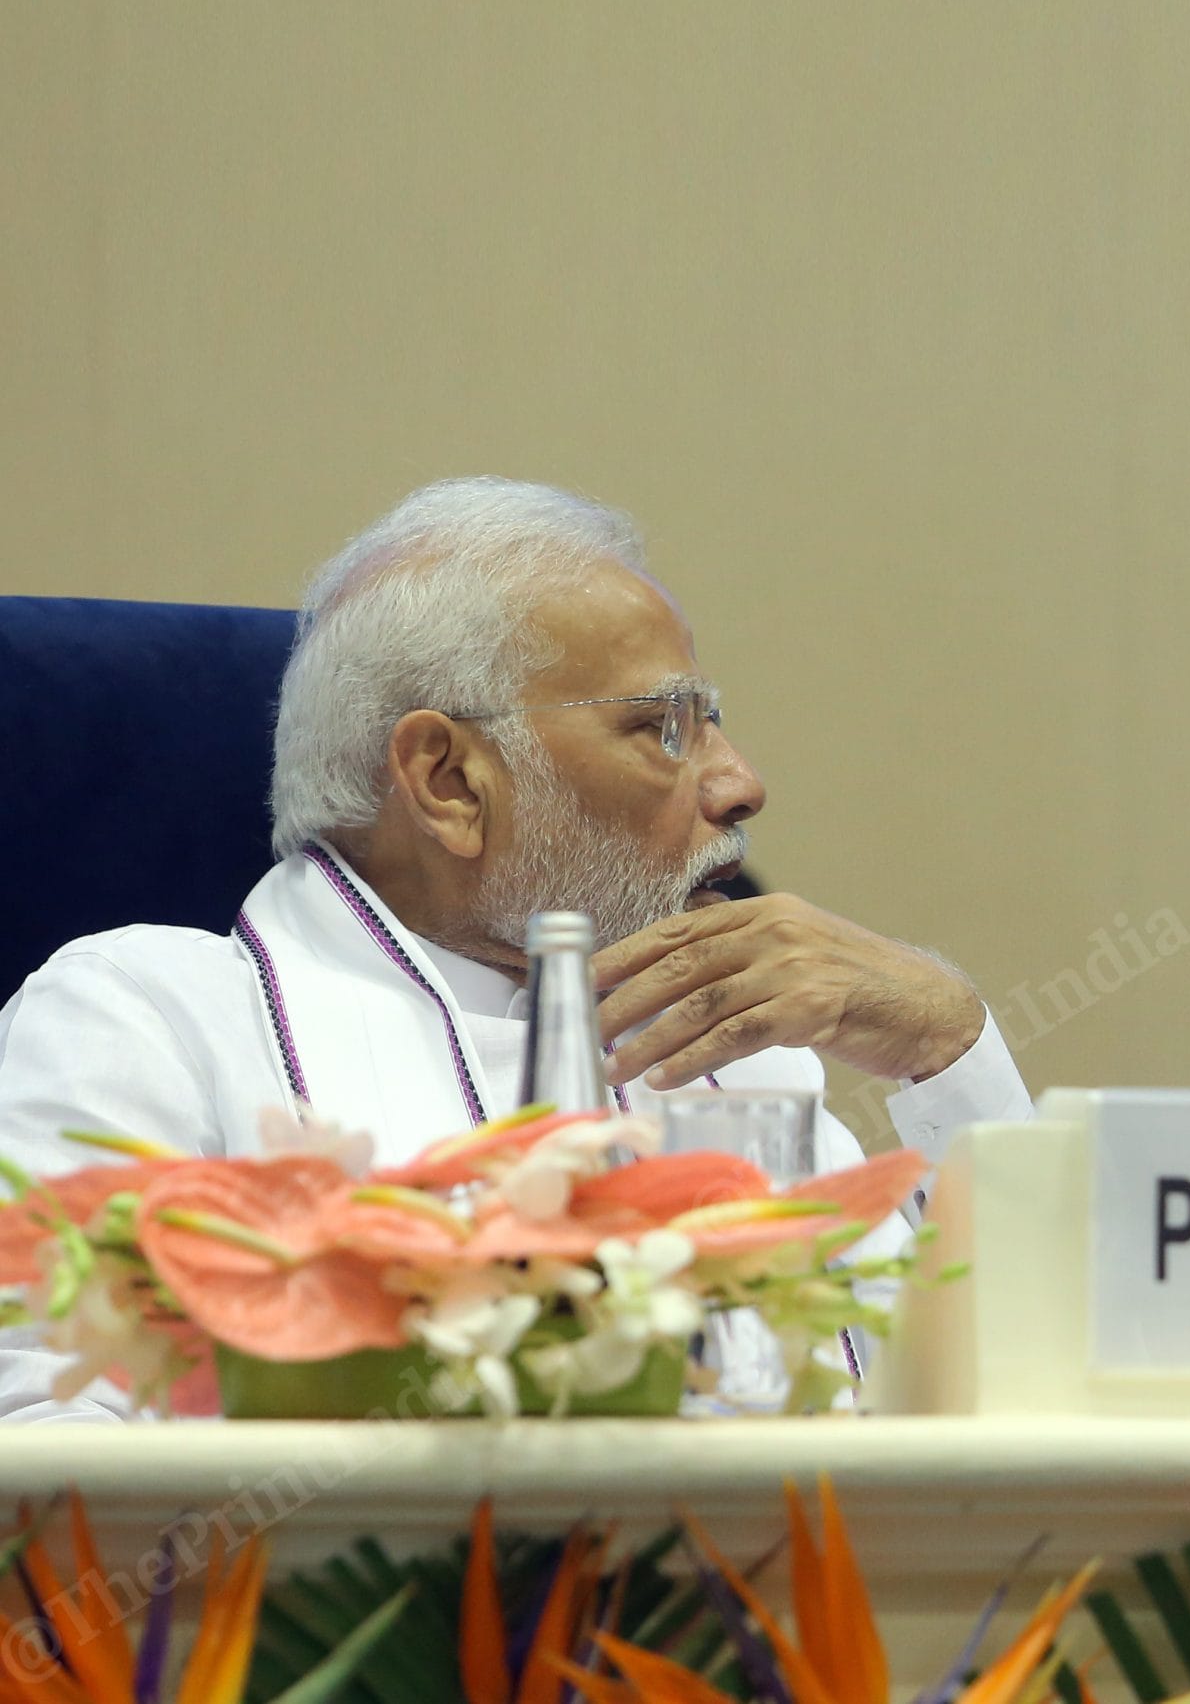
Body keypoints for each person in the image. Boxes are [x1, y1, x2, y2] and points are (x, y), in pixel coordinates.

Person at [0, 477, 1034, 1419]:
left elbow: (1019, 1410)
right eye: (663, 727)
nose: (739, 781)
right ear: (447, 779)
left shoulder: (743, 1058)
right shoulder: (145, 1018)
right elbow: (46, 1469)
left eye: (711, 722)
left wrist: (947, 1043)